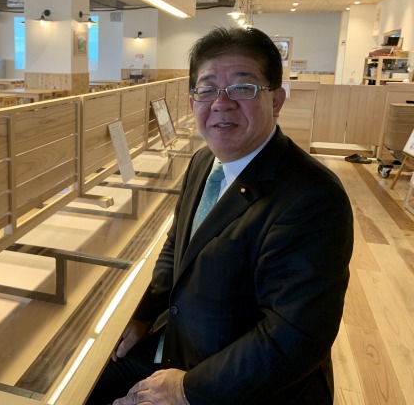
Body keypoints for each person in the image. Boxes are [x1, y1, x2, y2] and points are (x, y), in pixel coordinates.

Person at [86, 26, 353, 405]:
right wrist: (144, 314)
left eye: (243, 88)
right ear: (192, 100)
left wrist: (186, 389)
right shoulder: (202, 162)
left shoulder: (312, 196)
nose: (222, 103)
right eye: (207, 89)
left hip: (238, 385)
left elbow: (295, 335)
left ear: (276, 100)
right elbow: (177, 246)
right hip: (176, 344)